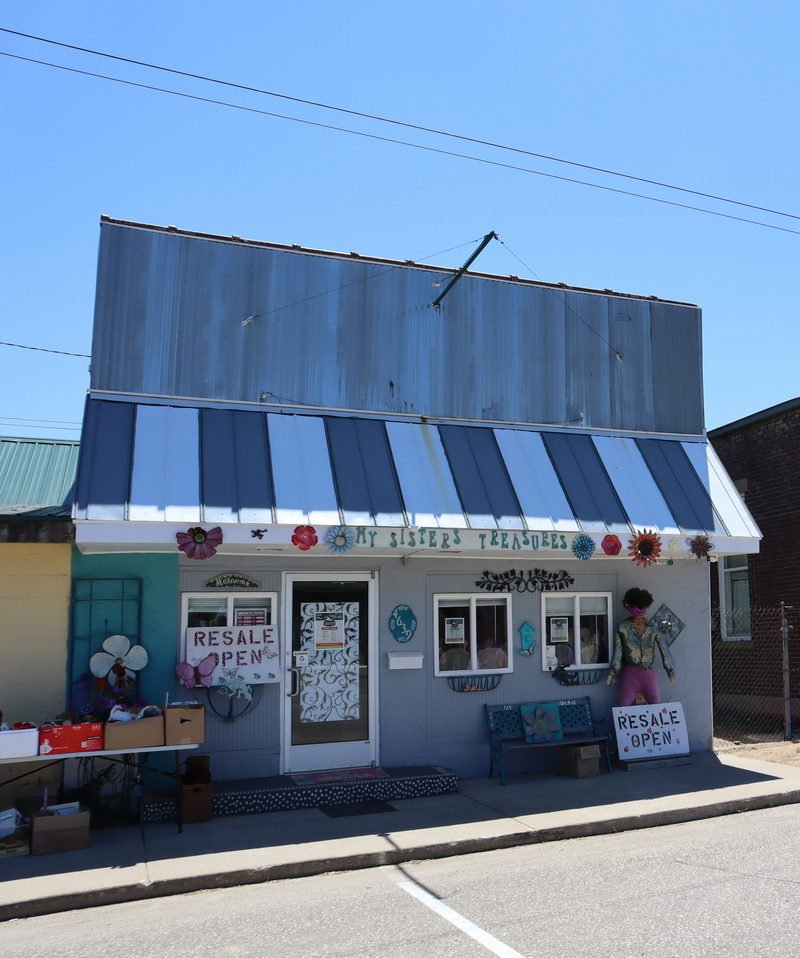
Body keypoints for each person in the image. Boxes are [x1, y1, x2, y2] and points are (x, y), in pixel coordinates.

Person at [606, 587, 675, 705]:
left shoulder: (652, 629)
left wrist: (670, 669)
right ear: (627, 606)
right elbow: (618, 650)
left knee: (657, 705)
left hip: (648, 673)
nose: (640, 609)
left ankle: (656, 723)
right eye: (636, 606)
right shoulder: (623, 627)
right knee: (624, 706)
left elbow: (664, 648)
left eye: (643, 606)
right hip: (630, 673)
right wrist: (614, 671)